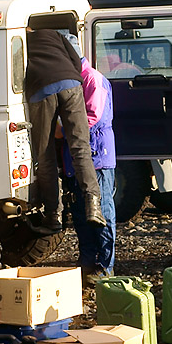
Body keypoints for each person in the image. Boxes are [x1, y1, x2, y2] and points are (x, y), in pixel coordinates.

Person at [25, 28, 105, 234]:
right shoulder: (54, 35)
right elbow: (76, 61)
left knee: (45, 154)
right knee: (80, 147)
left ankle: (54, 216)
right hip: (71, 84)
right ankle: (94, 206)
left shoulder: (19, 41)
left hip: (42, 89)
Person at [61, 45, 117, 283]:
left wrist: (59, 130)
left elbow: (92, 117)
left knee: (102, 210)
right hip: (78, 155)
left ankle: (106, 266)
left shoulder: (93, 79)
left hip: (97, 156)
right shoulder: (76, 79)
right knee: (80, 212)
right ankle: (86, 262)